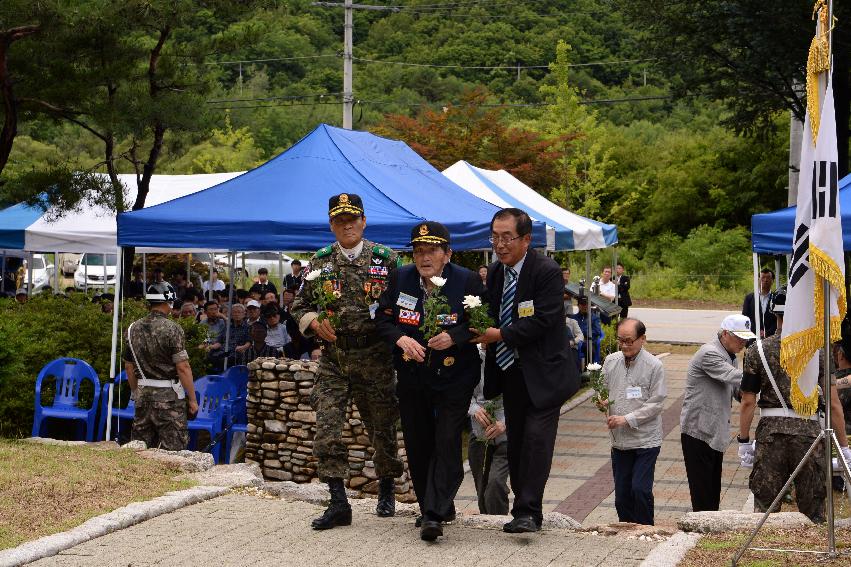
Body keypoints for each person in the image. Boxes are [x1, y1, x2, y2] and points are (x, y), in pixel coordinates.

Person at [290, 192, 403, 530]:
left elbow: (404, 306)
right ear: (332, 225)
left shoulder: (387, 260)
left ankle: (386, 488)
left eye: (352, 219)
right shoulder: (319, 262)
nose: (347, 225)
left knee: (381, 429)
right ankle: (338, 502)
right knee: (326, 430)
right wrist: (312, 322)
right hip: (335, 360)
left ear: (364, 221)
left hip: (375, 359)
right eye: (340, 220)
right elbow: (299, 306)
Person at [374, 221, 484, 541]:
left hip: (455, 375)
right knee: (418, 442)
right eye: (419, 250)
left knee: (447, 439)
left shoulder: (467, 281)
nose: (424, 257)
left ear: (447, 254)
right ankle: (431, 506)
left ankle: (434, 514)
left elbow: (482, 322)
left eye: (432, 250)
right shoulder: (400, 278)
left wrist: (455, 336)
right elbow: (382, 319)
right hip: (412, 375)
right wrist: (400, 339)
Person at [474, 207, 580, 534]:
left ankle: (529, 512)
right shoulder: (494, 273)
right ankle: (523, 508)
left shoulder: (545, 271)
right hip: (511, 372)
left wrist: (500, 334)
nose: (500, 244)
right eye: (495, 237)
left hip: (545, 376)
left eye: (508, 237)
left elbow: (544, 320)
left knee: (536, 439)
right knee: (517, 441)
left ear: (526, 239)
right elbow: (491, 312)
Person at [739, 290, 851, 522]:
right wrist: (844, 447)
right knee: (813, 511)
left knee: (766, 511)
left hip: (771, 435)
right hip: (808, 435)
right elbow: (833, 403)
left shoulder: (757, 350)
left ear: (773, 313)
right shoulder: (819, 352)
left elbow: (748, 400)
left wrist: (743, 440)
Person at [680, 314, 752, 512]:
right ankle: (700, 536)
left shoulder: (731, 357)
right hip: (698, 432)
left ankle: (708, 534)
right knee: (702, 495)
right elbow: (734, 376)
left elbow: (737, 390)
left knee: (712, 492)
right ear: (726, 334)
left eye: (746, 338)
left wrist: (751, 394)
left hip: (715, 433)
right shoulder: (709, 353)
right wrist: (764, 375)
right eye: (739, 338)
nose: (743, 343)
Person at [599, 318, 666, 525]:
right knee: (622, 496)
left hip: (646, 441)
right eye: (621, 341)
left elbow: (656, 404)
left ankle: (646, 530)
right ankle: (625, 531)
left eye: (629, 341)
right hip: (619, 441)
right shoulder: (611, 361)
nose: (625, 345)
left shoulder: (654, 366)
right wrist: (601, 401)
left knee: (640, 489)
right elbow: (602, 388)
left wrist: (626, 419)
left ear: (642, 339)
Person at [123, 281, 198, 450]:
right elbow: (183, 367)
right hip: (169, 398)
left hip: (143, 396)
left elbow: (129, 367)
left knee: (140, 448)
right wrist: (192, 399)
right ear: (169, 302)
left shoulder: (132, 328)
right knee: (174, 450)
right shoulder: (173, 329)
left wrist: (136, 392)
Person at [467, 363, 509, 516]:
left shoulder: (507, 357)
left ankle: (499, 525)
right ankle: (489, 524)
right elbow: (460, 391)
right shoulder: (471, 357)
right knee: (482, 489)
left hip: (505, 438)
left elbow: (521, 396)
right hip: (479, 435)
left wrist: (505, 423)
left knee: (495, 484)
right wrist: (474, 409)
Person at [741, 268, 776, 338]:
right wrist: (756, 331)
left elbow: (778, 319)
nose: (765, 280)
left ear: (772, 281)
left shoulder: (776, 298)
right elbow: (745, 318)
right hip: (752, 337)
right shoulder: (749, 298)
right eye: (763, 277)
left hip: (771, 337)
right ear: (758, 280)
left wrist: (767, 333)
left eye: (768, 278)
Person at [569, 297, 602, 364]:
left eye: (587, 304)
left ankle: (588, 368)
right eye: (583, 304)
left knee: (589, 348)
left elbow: (597, 331)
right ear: (578, 305)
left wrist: (583, 334)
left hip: (589, 341)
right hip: (575, 341)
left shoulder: (594, 318)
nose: (585, 306)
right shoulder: (573, 318)